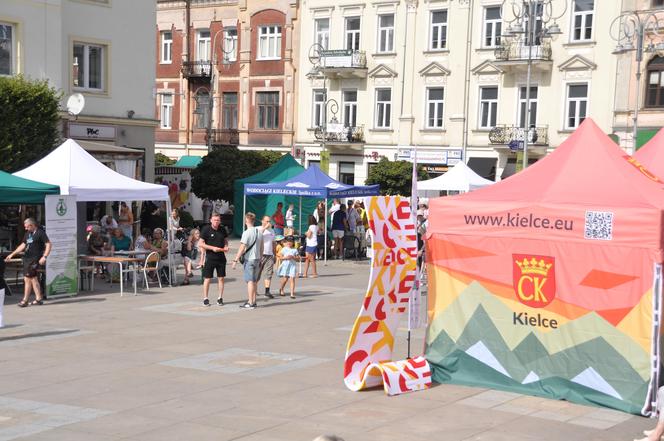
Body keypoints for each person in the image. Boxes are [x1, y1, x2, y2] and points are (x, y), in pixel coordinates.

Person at [5, 218, 50, 307]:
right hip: (27, 258)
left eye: (27, 227)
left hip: (34, 259)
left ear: (32, 225)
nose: (25, 229)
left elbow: (48, 244)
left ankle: (25, 300)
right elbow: (23, 245)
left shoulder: (40, 233)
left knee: (28, 278)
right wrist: (12, 254)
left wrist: (44, 257)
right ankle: (38, 298)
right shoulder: (28, 234)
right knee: (32, 278)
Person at [232, 212, 263, 309]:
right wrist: (261, 258)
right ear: (253, 220)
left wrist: (235, 260)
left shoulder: (246, 233)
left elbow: (242, 247)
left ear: (246, 220)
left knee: (250, 281)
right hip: (258, 259)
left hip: (249, 259)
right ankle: (253, 301)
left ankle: (250, 302)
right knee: (254, 281)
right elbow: (262, 247)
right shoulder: (259, 232)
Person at [198, 213, 228, 306]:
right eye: (214, 220)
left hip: (221, 257)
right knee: (207, 278)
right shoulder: (206, 229)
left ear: (220, 221)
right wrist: (212, 248)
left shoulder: (222, 229)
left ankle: (220, 298)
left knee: (221, 278)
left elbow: (225, 240)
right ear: (211, 220)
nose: (216, 222)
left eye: (218, 220)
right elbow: (201, 244)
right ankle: (205, 298)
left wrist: (226, 246)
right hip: (210, 257)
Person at [258, 216, 276, 299]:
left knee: (269, 273)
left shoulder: (272, 230)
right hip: (260, 254)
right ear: (262, 221)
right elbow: (258, 237)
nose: (268, 223)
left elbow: (273, 243)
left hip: (269, 254)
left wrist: (274, 254)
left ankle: (267, 291)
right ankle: (254, 288)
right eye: (266, 221)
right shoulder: (258, 228)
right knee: (257, 273)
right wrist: (264, 227)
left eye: (269, 221)